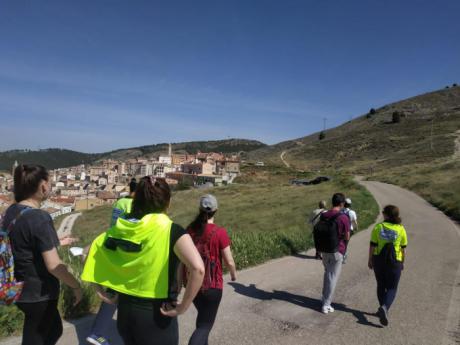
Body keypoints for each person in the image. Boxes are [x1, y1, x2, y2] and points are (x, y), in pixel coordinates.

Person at [81, 176, 204, 345]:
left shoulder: (122, 228)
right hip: (157, 314)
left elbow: (86, 254)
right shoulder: (172, 231)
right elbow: (198, 269)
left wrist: (100, 292)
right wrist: (183, 306)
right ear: (168, 203)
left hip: (125, 312)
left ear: (136, 201)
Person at [3, 164, 82, 345]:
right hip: (38, 293)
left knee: (53, 329)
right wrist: (75, 286)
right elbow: (53, 265)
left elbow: (22, 242)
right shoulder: (39, 217)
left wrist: (57, 242)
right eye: (50, 183)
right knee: (39, 337)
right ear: (43, 186)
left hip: (16, 287)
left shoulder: (11, 212)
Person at [86, 178, 137, 345]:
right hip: (125, 251)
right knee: (124, 293)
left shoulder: (120, 202)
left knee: (114, 291)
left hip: (112, 247)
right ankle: (102, 333)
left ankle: (97, 332)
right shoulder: (132, 206)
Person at [185, 194, 237, 345]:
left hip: (193, 284)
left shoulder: (190, 230)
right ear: (216, 210)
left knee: (203, 320)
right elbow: (229, 260)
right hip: (213, 286)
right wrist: (233, 274)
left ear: (199, 209)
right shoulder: (220, 232)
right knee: (204, 326)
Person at [368, 205, 407, 326]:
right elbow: (403, 249)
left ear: (386, 215)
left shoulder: (378, 227)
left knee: (381, 285)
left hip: (379, 260)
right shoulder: (400, 229)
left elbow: (372, 246)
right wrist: (402, 262)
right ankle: (385, 308)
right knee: (392, 288)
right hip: (394, 262)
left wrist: (370, 260)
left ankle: (382, 308)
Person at [313, 193, 350, 314]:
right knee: (333, 276)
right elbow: (347, 236)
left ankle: (324, 298)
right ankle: (326, 304)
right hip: (337, 250)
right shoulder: (343, 217)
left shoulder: (324, 214)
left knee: (327, 273)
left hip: (324, 249)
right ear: (342, 203)